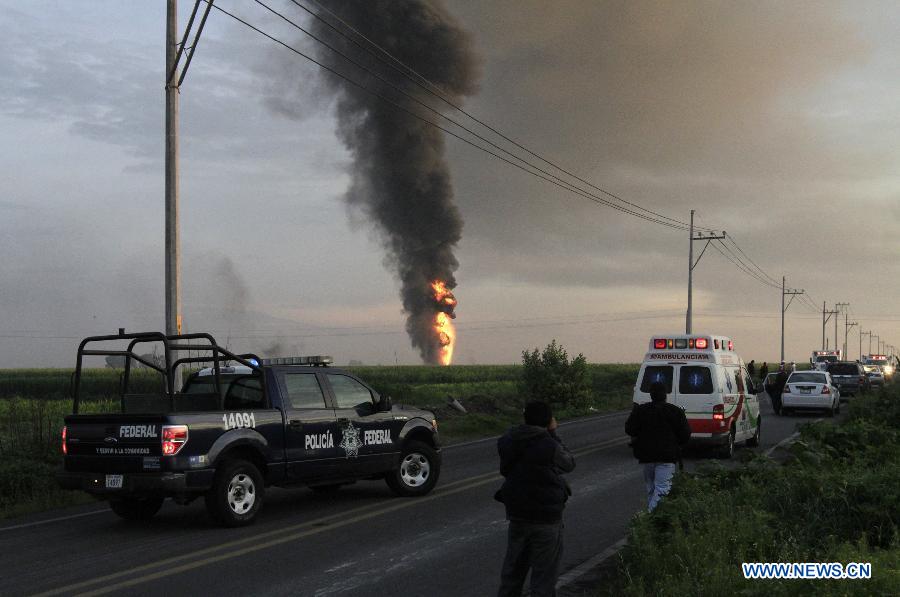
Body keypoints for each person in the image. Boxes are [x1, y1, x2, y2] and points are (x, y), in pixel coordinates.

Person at [496, 401, 575, 597]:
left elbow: (505, 464)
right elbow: (569, 463)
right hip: (546, 519)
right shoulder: (549, 444)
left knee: (512, 574)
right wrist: (554, 433)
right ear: (549, 421)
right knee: (543, 580)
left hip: (517, 514)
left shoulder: (508, 439)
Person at [625, 382, 691, 512]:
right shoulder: (675, 411)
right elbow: (685, 434)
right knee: (662, 489)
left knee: (651, 488)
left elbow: (630, 429)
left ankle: (651, 519)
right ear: (665, 395)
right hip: (667, 458)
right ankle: (651, 518)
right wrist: (677, 444)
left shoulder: (641, 410)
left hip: (646, 457)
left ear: (651, 395)